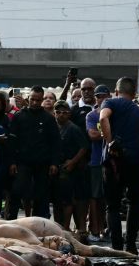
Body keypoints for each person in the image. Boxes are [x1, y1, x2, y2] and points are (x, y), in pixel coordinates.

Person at [98, 77, 139, 254]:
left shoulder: (110, 102)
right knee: (134, 203)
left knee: (112, 205)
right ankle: (131, 246)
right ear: (134, 94)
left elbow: (103, 118)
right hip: (135, 160)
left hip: (114, 161)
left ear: (116, 91)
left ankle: (117, 246)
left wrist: (110, 142)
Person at [10, 86, 60, 219]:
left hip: (42, 163)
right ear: (28, 98)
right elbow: (12, 141)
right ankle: (11, 221)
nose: (35, 103)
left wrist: (54, 163)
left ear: (42, 100)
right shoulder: (19, 116)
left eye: (38, 100)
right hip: (22, 162)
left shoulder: (49, 119)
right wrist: (12, 162)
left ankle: (41, 224)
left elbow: (55, 142)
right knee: (17, 191)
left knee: (41, 196)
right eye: (32, 99)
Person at [53, 100, 90, 234]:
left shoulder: (73, 128)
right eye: (58, 112)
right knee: (57, 201)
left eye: (64, 112)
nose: (61, 115)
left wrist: (73, 162)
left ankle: (66, 227)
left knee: (67, 201)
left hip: (68, 169)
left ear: (69, 114)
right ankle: (58, 226)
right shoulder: (54, 127)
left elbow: (84, 147)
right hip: (55, 167)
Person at [84, 84, 109, 241]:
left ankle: (106, 228)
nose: (101, 99)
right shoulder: (92, 116)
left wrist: (103, 133)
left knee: (109, 197)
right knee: (95, 196)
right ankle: (94, 229)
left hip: (112, 160)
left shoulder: (114, 114)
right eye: (98, 96)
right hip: (96, 160)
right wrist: (108, 133)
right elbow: (92, 135)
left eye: (104, 96)